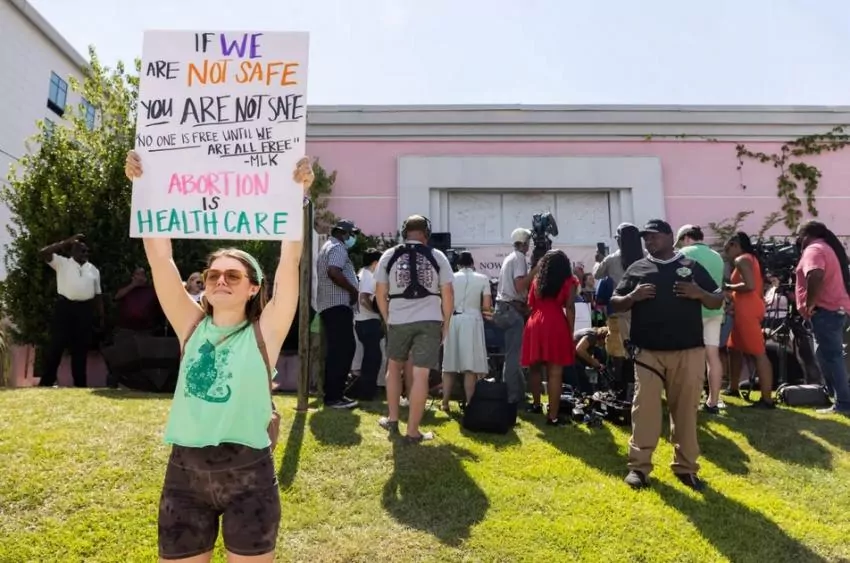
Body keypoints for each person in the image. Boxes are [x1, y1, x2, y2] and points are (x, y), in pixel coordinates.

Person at [125, 150, 312, 562]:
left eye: (233, 275)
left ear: (252, 287)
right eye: (213, 274)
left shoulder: (265, 332)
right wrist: (145, 185)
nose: (220, 279)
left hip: (250, 478)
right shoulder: (190, 326)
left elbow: (290, 262)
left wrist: (296, 196)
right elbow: (160, 259)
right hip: (184, 476)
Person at [611, 219, 723, 491]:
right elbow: (614, 303)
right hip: (648, 353)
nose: (649, 241)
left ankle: (686, 468)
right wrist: (633, 296)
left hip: (688, 351)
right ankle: (639, 468)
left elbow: (717, 298)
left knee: (685, 411)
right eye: (646, 238)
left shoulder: (690, 266)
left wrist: (698, 293)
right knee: (644, 411)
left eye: (654, 236)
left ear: (670, 237)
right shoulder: (638, 268)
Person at [374, 215, 454, 443]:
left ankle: (392, 419)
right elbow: (448, 293)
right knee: (421, 374)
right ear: (426, 234)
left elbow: (380, 292)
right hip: (429, 319)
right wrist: (446, 322)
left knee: (393, 367)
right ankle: (413, 431)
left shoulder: (389, 255)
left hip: (398, 318)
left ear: (404, 232)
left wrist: (387, 317)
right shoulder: (437, 256)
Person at [795, 221, 850, 415]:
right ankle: (836, 396)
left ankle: (844, 403)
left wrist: (809, 304)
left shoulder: (814, 249)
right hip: (833, 310)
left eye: (799, 237)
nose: (798, 241)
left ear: (806, 236)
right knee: (825, 355)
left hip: (826, 311)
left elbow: (815, 274)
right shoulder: (825, 247)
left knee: (832, 357)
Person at [38, 234, 105, 388]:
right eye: (82, 251)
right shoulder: (62, 263)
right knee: (56, 345)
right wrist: (65, 242)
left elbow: (98, 295)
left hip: (85, 310)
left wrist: (101, 316)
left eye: (87, 251)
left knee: (81, 348)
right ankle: (46, 382)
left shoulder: (93, 270)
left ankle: (80, 385)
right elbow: (43, 253)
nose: (85, 254)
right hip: (65, 308)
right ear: (72, 252)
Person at [521, 250, 579, 426]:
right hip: (555, 322)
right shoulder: (570, 281)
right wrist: (570, 331)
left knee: (535, 367)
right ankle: (552, 416)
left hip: (535, 322)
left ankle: (536, 404)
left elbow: (530, 304)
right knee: (555, 372)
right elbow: (570, 307)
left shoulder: (537, 280)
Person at [676, 225, 726, 414]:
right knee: (713, 357)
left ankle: (692, 400)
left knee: (691, 357)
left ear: (686, 238)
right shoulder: (717, 256)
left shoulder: (683, 253)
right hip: (714, 310)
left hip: (692, 311)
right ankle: (713, 401)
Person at [723, 232, 775, 408]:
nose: (727, 254)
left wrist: (727, 286)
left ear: (735, 245)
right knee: (733, 348)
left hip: (747, 310)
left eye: (727, 249)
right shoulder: (751, 259)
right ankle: (733, 387)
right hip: (747, 308)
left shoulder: (742, 260)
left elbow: (749, 285)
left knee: (758, 352)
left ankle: (767, 399)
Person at [316, 219, 361, 409]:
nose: (353, 238)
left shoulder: (328, 246)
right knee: (343, 350)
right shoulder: (338, 247)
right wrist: (353, 290)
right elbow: (333, 271)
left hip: (330, 306)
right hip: (337, 305)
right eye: (352, 234)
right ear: (344, 233)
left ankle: (334, 394)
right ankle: (334, 397)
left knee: (338, 350)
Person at [493, 228, 539, 409]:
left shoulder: (510, 258)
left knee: (513, 354)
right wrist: (535, 271)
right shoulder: (519, 258)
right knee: (513, 357)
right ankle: (513, 397)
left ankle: (518, 392)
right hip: (510, 310)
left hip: (504, 309)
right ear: (525, 243)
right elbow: (520, 286)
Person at [441, 251, 492, 411]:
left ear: (458, 264)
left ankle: (445, 402)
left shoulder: (450, 278)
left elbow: (444, 301)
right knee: (470, 366)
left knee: (449, 364)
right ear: (472, 263)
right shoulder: (483, 279)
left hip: (453, 320)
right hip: (473, 321)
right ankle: (470, 403)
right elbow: (486, 307)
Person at [593, 223, 644, 382]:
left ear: (619, 240)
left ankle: (627, 385)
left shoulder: (611, 259)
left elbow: (597, 275)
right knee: (643, 349)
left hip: (621, 308)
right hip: (643, 308)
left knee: (624, 350)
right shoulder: (646, 256)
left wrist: (599, 261)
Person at [352, 248, 384, 401]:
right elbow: (364, 298)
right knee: (373, 357)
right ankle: (367, 391)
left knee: (370, 356)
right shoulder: (369, 276)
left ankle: (366, 390)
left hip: (361, 321)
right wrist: (377, 312)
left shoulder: (361, 273)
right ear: (375, 263)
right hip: (369, 321)